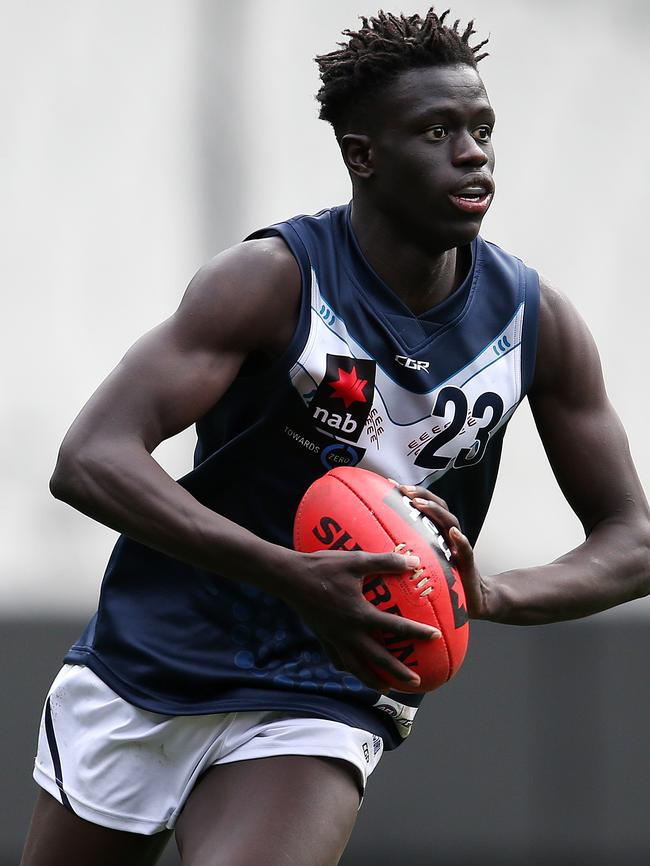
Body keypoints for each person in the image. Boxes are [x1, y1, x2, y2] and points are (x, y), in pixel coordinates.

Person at [20, 8, 650, 866]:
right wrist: (288, 573)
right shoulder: (272, 281)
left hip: (330, 682)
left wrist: (491, 595)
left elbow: (633, 540)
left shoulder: (534, 321)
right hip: (155, 658)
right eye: (438, 131)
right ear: (364, 157)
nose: (474, 153)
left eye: (482, 128)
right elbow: (89, 460)